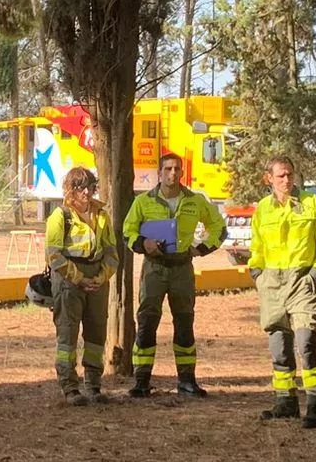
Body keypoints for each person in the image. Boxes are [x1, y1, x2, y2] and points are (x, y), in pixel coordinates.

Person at [120, 152, 227, 398]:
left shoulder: (195, 201)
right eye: (167, 169)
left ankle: (187, 380)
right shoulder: (143, 201)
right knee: (147, 322)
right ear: (159, 173)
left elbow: (219, 229)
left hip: (182, 268)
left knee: (184, 322)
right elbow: (127, 232)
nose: (172, 173)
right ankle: (142, 380)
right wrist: (143, 244)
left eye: (176, 169)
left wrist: (200, 248)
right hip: (154, 269)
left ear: (182, 173)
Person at [249, 156, 316, 426]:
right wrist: (257, 274)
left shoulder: (312, 203)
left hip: (302, 282)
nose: (286, 180)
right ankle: (285, 403)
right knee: (279, 347)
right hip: (271, 283)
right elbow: (257, 248)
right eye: (281, 176)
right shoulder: (262, 209)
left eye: (289, 175)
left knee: (306, 342)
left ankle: (314, 406)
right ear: (269, 179)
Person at [45, 165, 116, 404]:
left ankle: (93, 385)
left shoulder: (102, 215)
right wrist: (79, 278)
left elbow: (111, 252)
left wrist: (100, 278)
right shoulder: (60, 216)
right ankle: (70, 388)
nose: (86, 192)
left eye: (90, 187)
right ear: (70, 189)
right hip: (68, 282)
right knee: (67, 334)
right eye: (80, 187)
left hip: (97, 279)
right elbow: (54, 256)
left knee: (97, 333)